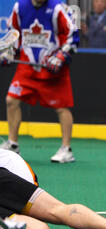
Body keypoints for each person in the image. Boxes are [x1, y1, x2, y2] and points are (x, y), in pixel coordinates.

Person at [0, 0, 77, 163]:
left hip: (52, 71)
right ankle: (13, 144)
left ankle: (66, 149)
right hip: (27, 69)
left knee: (62, 107)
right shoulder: (19, 7)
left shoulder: (57, 8)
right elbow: (13, 34)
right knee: (11, 100)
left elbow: (72, 35)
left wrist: (60, 56)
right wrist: (8, 52)